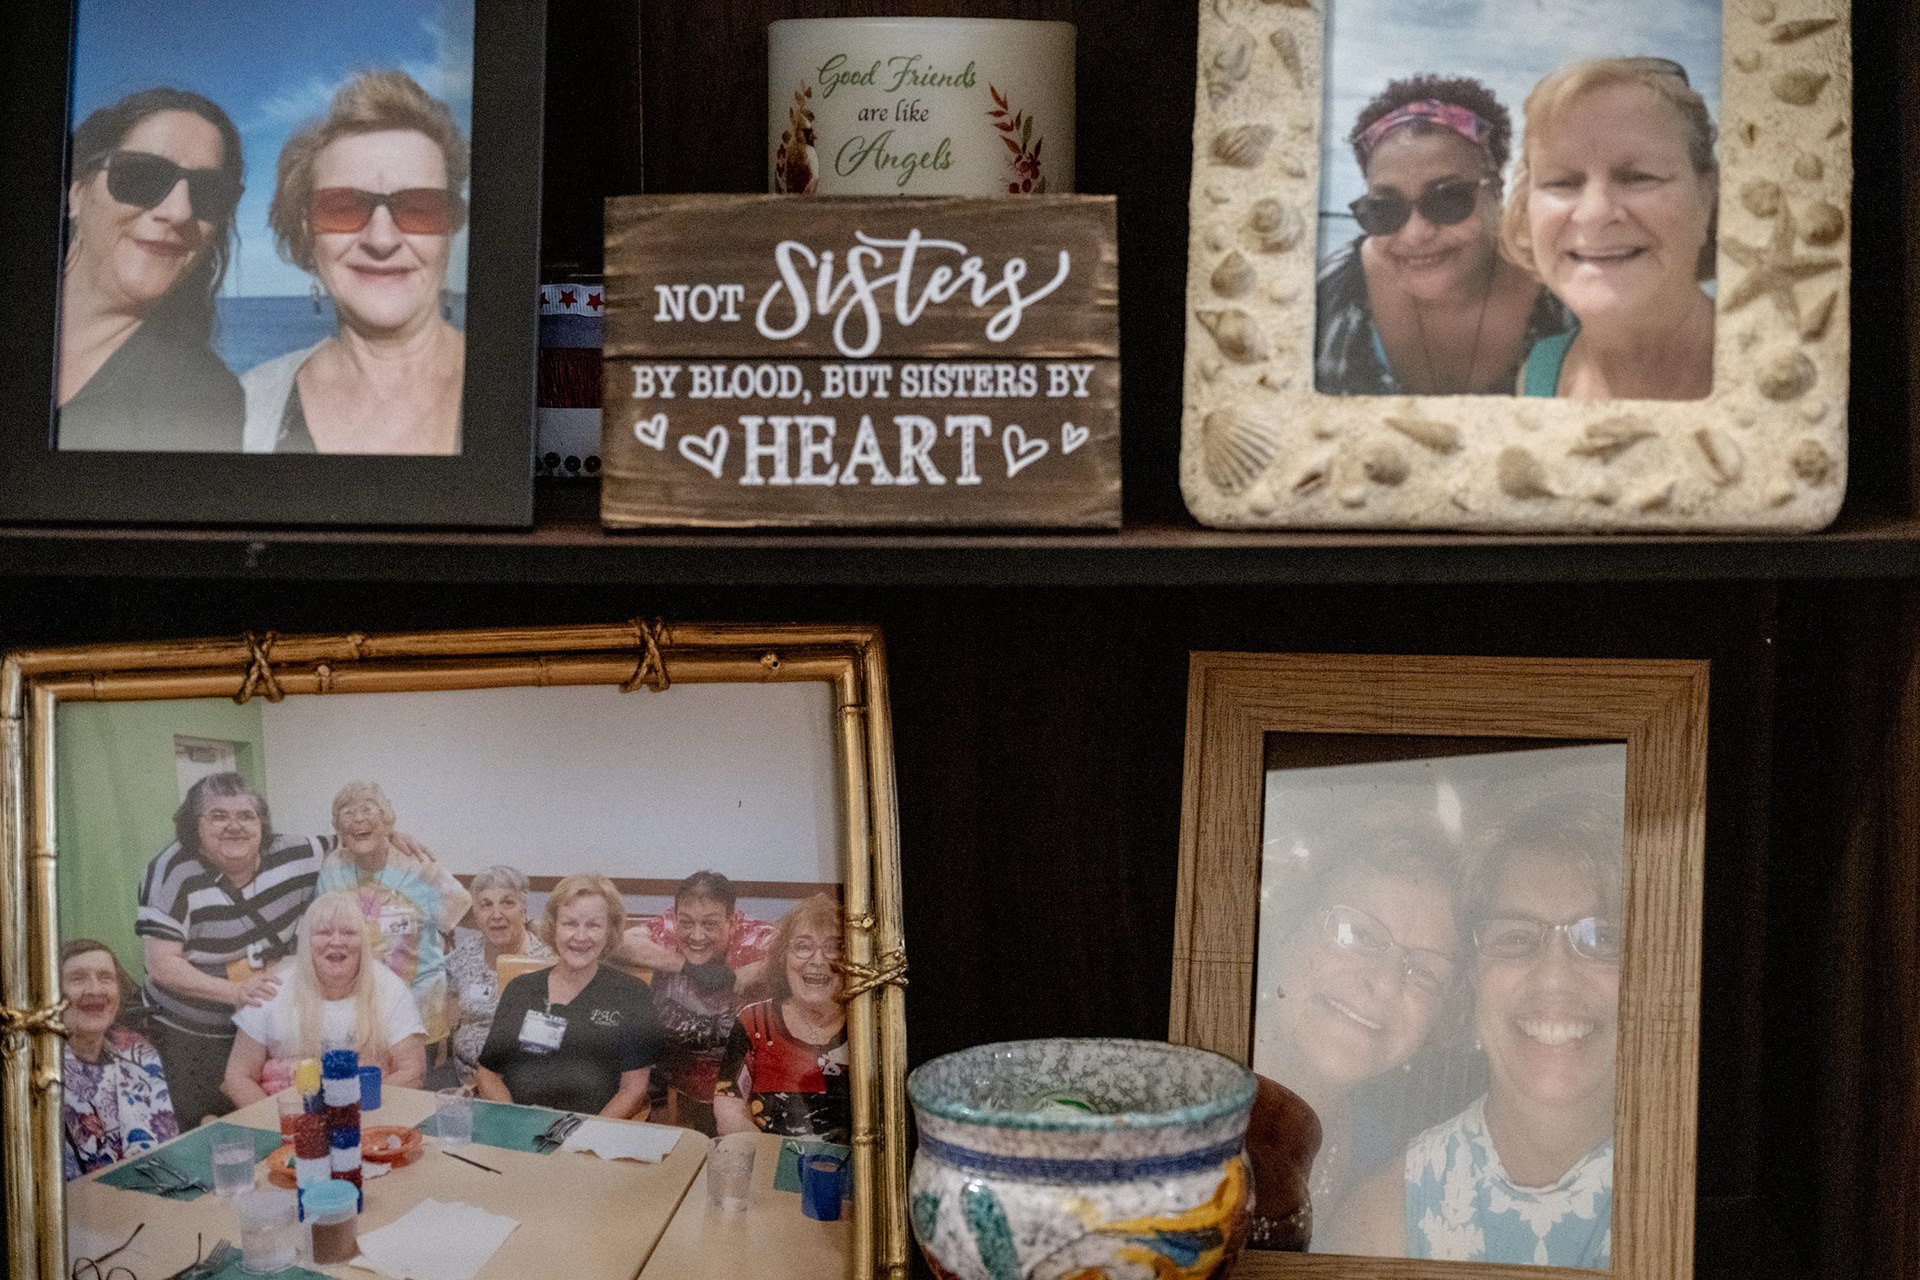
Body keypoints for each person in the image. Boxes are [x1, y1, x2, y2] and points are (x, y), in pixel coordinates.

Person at [1332, 799, 1621, 1267]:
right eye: (1515, 937)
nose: (1555, 978)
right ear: (1472, 985)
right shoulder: (1380, 1224)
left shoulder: (1693, 1186)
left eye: (1602, 939)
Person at [243, 70, 467, 454]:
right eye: (344, 208)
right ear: (307, 228)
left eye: (418, 208)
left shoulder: (512, 385)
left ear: (450, 227)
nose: (381, 239)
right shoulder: (247, 406)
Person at [1251, 829, 1462, 1221]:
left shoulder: (1399, 1180)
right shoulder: (1169, 1098)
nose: (1384, 983)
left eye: (1424, 972)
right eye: (1359, 934)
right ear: (1287, 930)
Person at [1315, 76, 1571, 396]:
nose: (1415, 234)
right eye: (1384, 208)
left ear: (1496, 190)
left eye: (1447, 199)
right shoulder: (1327, 294)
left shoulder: (1569, 293)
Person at [1504, 58, 1718, 400]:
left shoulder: (1783, 366)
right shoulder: (1541, 371)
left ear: (1706, 198)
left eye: (1639, 178)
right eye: (1561, 182)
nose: (1594, 214)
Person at [136, 773, 329, 1127]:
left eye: (246, 815)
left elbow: (354, 844)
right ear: (194, 827)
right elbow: (161, 964)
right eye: (218, 816)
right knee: (210, 1131)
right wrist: (235, 991)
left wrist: (396, 837)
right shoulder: (170, 872)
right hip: (192, 1035)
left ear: (263, 823)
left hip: (263, 1031)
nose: (234, 826)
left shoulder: (297, 853)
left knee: (270, 1126)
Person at [58, 88, 246, 451]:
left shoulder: (202, 401)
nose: (179, 212)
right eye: (142, 177)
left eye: (208, 192)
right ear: (77, 194)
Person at [476, 874, 661, 1117]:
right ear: (554, 927)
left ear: (609, 931)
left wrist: (587, 1136)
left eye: (593, 925)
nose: (580, 937)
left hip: (591, 1134)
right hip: (518, 1126)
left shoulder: (632, 995)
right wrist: (514, 1122)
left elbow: (633, 1090)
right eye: (570, 924)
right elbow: (488, 1073)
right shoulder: (521, 989)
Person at [221, 891, 428, 1107]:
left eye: (349, 932)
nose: (336, 942)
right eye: (324, 932)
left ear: (363, 941)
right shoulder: (271, 990)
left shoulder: (390, 987)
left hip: (371, 1117)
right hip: (287, 1124)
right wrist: (279, 1125)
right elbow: (238, 1077)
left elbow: (412, 1072)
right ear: (306, 941)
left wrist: (354, 1119)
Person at [315, 782, 471, 1051]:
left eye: (368, 809)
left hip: (419, 1014)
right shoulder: (333, 868)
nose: (359, 819)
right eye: (348, 813)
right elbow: (323, 931)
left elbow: (466, 913)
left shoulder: (420, 867)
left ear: (387, 822)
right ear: (338, 829)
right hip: (357, 1016)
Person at [714, 894, 851, 1143]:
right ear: (783, 957)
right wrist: (775, 1161)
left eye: (834, 948)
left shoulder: (867, 1027)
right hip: (767, 1165)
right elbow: (728, 1108)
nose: (818, 961)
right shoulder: (753, 1021)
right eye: (803, 946)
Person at [59, 939, 179, 1180]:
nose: (95, 990)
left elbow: (169, 1150)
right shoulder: (40, 1069)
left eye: (105, 978)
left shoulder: (139, 1053)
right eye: (78, 978)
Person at [647, 872, 754, 1133]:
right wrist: (683, 966)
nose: (696, 935)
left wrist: (749, 973)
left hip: (742, 1100)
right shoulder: (665, 929)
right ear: (675, 917)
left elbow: (791, 954)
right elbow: (616, 943)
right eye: (687, 923)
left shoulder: (754, 936)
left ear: (732, 921)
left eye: (709, 924)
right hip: (671, 1092)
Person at [446, 864, 555, 1085]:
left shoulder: (547, 962)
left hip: (524, 1083)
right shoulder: (463, 957)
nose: (497, 915)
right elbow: (447, 1015)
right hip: (464, 1080)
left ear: (524, 910)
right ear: (476, 915)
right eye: (486, 905)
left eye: (508, 903)